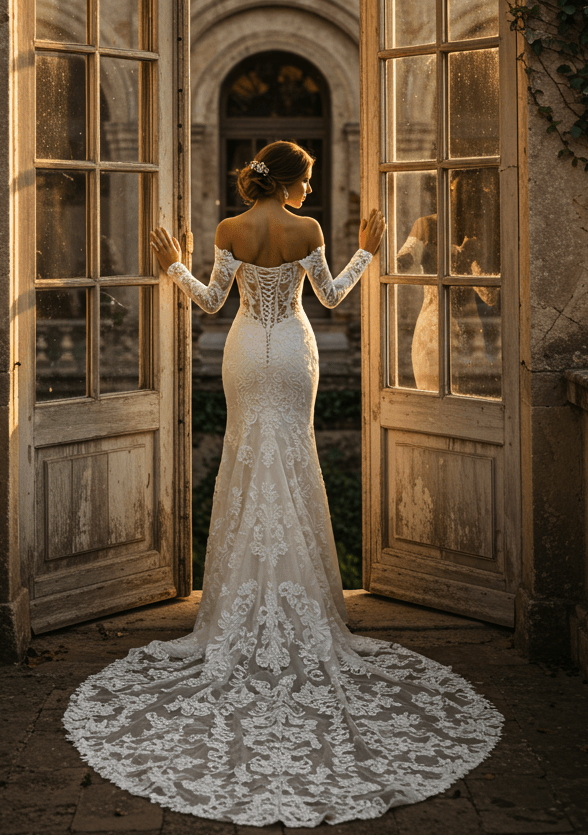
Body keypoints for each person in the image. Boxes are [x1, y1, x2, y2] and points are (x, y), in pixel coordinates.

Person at [64, 140, 502, 826]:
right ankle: (303, 605)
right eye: (308, 181)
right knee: (293, 461)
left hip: (245, 350)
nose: (310, 191)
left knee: (246, 460)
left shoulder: (228, 228)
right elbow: (330, 296)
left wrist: (174, 265)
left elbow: (211, 302)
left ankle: (234, 609)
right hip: (294, 352)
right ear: (292, 182)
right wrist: (368, 252)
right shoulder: (310, 230)